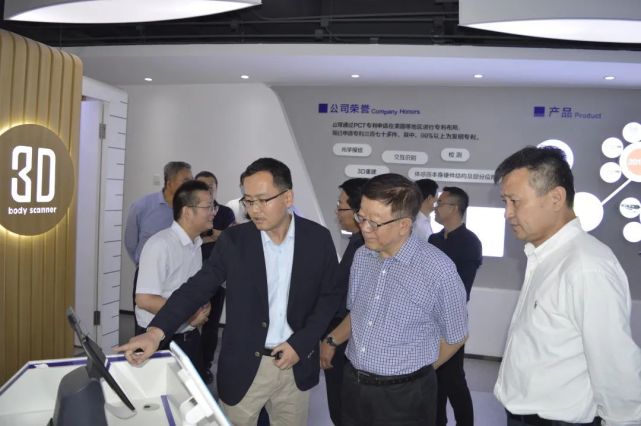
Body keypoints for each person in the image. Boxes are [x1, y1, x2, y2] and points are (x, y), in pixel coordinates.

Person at [117, 158, 341, 426]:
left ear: (288, 197)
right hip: (244, 365)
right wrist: (155, 333)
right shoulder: (235, 241)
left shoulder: (317, 239)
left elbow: (330, 297)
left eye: (262, 200)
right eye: (248, 201)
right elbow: (196, 288)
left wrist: (301, 343)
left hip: (295, 365)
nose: (254, 210)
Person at [493, 146, 641, 426]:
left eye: (515, 201)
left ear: (556, 198)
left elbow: (614, 365)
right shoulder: (544, 256)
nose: (507, 213)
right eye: (505, 202)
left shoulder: (586, 266)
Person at [330, 173, 468, 426]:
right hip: (354, 386)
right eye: (362, 217)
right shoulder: (362, 256)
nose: (364, 228)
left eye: (375, 222)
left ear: (404, 225)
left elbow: (456, 335)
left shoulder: (438, 269)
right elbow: (358, 312)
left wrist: (416, 372)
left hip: (406, 397)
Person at [135, 180, 213, 378]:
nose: (213, 212)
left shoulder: (196, 244)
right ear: (187, 212)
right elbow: (144, 300)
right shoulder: (159, 245)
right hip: (159, 339)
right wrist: (190, 314)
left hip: (189, 336)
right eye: (208, 207)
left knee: (192, 390)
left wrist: (203, 306)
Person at [429, 186, 482, 426]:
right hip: (428, 321)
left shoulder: (470, 242)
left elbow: (462, 290)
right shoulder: (434, 240)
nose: (435, 208)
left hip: (451, 320)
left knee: (453, 380)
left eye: (440, 204)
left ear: (454, 208)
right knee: (433, 377)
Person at [320, 177, 368, 426]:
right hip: (342, 335)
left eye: (341, 206)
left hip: (345, 338)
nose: (337, 212)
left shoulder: (364, 249)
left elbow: (358, 305)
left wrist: (331, 340)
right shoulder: (356, 243)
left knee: (344, 410)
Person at [124, 161, 193, 331]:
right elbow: (130, 242)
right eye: (186, 180)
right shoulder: (142, 206)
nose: (190, 185)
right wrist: (143, 264)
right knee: (145, 325)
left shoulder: (188, 209)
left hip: (179, 275)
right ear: (169, 182)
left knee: (177, 323)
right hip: (148, 276)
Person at [195, 170, 236, 384]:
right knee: (189, 323)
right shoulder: (191, 211)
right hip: (192, 275)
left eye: (211, 187)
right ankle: (190, 366)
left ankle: (205, 366)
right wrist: (214, 234)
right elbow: (193, 237)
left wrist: (207, 234)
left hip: (218, 277)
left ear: (216, 188)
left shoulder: (226, 212)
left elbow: (229, 239)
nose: (208, 190)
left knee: (211, 324)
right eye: (203, 186)